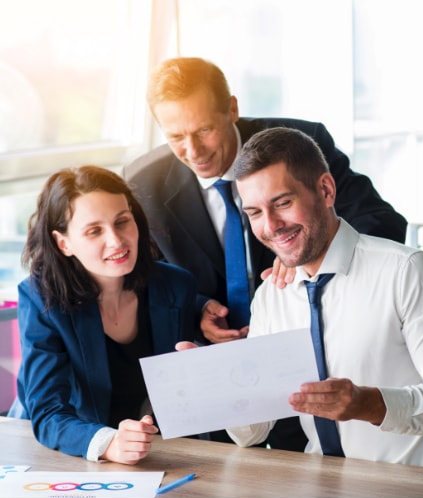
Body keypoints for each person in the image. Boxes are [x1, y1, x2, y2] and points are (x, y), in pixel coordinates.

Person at [123, 57, 407, 450]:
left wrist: (309, 249)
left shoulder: (301, 144)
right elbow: (149, 273)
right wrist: (198, 307)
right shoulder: (144, 181)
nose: (193, 151)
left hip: (311, 357)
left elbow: (383, 221)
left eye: (205, 129)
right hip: (220, 373)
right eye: (176, 137)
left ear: (232, 110)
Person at [218, 127, 423, 469]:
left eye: (283, 203)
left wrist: (371, 404)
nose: (270, 226)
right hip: (319, 485)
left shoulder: (407, 271)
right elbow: (251, 433)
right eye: (254, 213)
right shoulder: (272, 296)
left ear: (326, 190)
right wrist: (219, 383)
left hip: (411, 486)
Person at [8, 166, 197, 465]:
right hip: (64, 447)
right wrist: (108, 443)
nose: (117, 241)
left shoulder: (177, 285)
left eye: (122, 221)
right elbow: (47, 414)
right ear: (63, 243)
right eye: (94, 231)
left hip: (151, 449)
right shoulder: (41, 298)